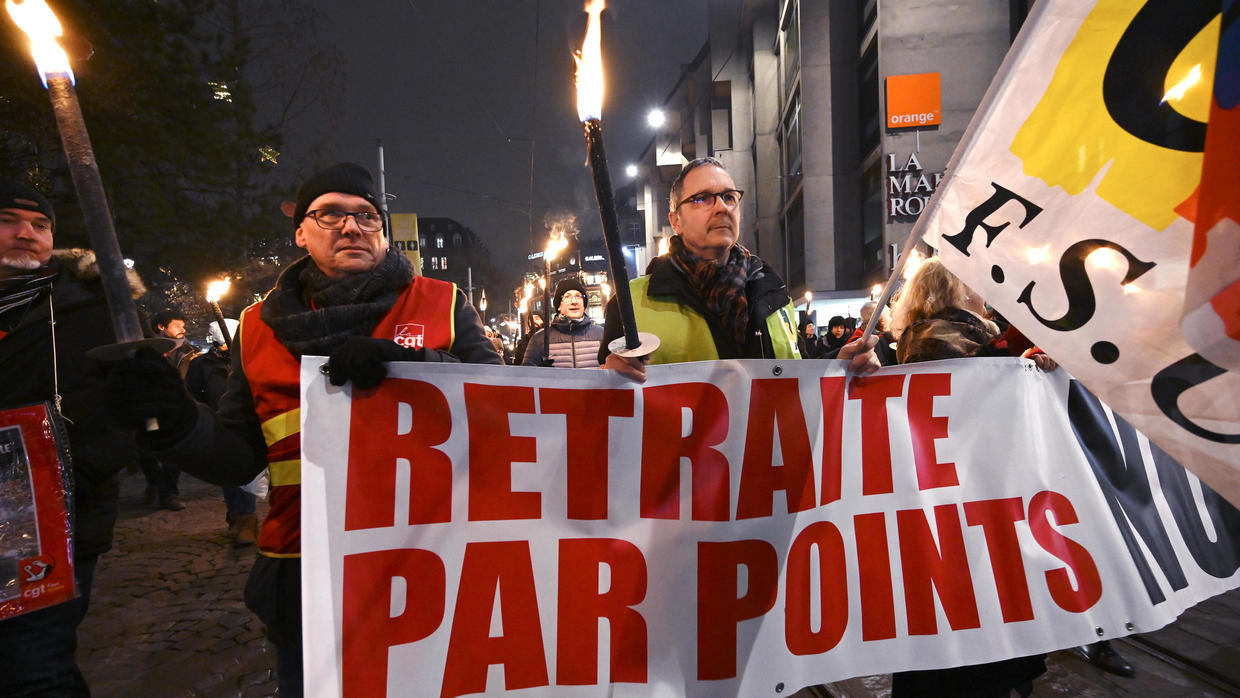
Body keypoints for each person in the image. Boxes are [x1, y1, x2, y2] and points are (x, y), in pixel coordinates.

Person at [105, 162, 502, 696]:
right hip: (305, 568)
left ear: (382, 230)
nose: (351, 226)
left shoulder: (443, 303)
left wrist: (418, 366)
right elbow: (238, 458)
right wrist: (174, 423)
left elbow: (503, 407)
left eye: (366, 215)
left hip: (433, 558)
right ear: (301, 232)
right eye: (331, 214)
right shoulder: (255, 327)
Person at [0, 176, 145, 695]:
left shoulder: (90, 307)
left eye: (40, 224)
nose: (26, 233)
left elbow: (125, 410)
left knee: (34, 664)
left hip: (59, 518)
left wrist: (70, 475)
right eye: (8, 221)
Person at [887, 256, 1052, 697]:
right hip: (955, 507)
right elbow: (969, 394)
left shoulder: (977, 337)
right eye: (979, 281)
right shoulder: (932, 339)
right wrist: (1018, 353)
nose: (988, 292)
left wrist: (1031, 365)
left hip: (990, 497)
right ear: (954, 288)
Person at [599, 157, 877, 379]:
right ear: (676, 220)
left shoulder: (772, 292)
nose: (721, 207)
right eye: (703, 198)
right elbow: (609, 421)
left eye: (729, 197)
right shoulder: (630, 303)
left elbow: (799, 379)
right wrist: (606, 379)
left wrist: (841, 366)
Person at [184, 317, 259, 547]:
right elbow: (193, 394)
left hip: (251, 419)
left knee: (254, 475)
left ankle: (245, 516)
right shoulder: (201, 364)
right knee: (233, 473)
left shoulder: (250, 356)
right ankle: (243, 518)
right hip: (222, 423)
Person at [138, 309, 198, 510]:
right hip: (152, 409)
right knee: (145, 448)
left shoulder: (190, 351)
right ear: (161, 327)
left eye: (183, 325)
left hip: (178, 408)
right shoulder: (148, 351)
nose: (183, 329)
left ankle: (168, 494)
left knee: (176, 449)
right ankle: (154, 482)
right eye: (176, 325)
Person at [522, 277, 604, 367]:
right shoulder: (540, 338)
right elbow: (527, 376)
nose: (574, 301)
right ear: (559, 306)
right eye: (567, 296)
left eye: (578, 296)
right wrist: (541, 373)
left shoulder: (601, 334)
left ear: (584, 305)